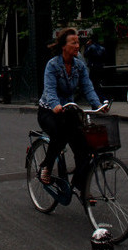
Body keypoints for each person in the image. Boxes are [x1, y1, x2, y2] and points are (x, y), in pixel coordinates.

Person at [37, 27, 110, 196]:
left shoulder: (79, 65)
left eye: (78, 42)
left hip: (69, 111)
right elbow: (49, 90)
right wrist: (55, 104)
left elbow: (87, 87)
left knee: (84, 147)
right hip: (49, 111)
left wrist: (97, 105)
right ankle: (46, 166)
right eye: (74, 42)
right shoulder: (53, 65)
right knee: (60, 135)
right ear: (64, 45)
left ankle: (80, 183)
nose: (77, 45)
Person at [84, 33, 111, 104]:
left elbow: (85, 54)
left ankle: (100, 99)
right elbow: (106, 57)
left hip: (93, 67)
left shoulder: (91, 47)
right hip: (101, 67)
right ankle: (102, 98)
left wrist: (87, 45)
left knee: (92, 84)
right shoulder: (102, 48)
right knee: (98, 83)